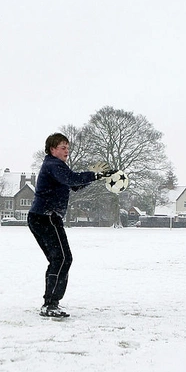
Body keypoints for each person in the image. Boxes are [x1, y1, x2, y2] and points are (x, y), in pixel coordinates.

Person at [28, 133, 114, 318]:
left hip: (42, 217)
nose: (67, 151)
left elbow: (74, 185)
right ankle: (50, 303)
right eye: (63, 147)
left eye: (68, 147)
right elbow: (73, 180)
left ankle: (51, 302)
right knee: (62, 258)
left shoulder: (57, 167)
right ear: (52, 149)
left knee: (59, 259)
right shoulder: (53, 164)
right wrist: (95, 174)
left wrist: (96, 177)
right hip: (46, 217)